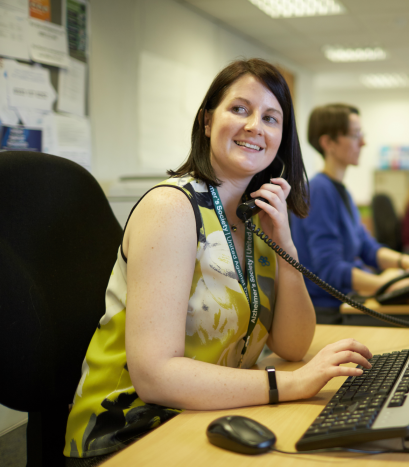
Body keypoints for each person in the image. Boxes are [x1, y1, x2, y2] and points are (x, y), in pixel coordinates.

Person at [64, 60, 373, 464]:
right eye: (239, 109)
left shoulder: (257, 219)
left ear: (282, 137)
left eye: (270, 118)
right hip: (129, 430)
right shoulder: (172, 208)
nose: (254, 127)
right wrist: (290, 384)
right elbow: (155, 375)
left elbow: (293, 345)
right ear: (207, 122)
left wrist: (287, 250)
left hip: (210, 412)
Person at [290, 104, 409, 324]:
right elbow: (330, 270)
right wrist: (388, 285)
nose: (363, 142)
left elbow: (368, 249)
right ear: (328, 143)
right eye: (355, 135)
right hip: (328, 313)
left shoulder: (342, 192)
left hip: (346, 303)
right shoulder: (319, 191)